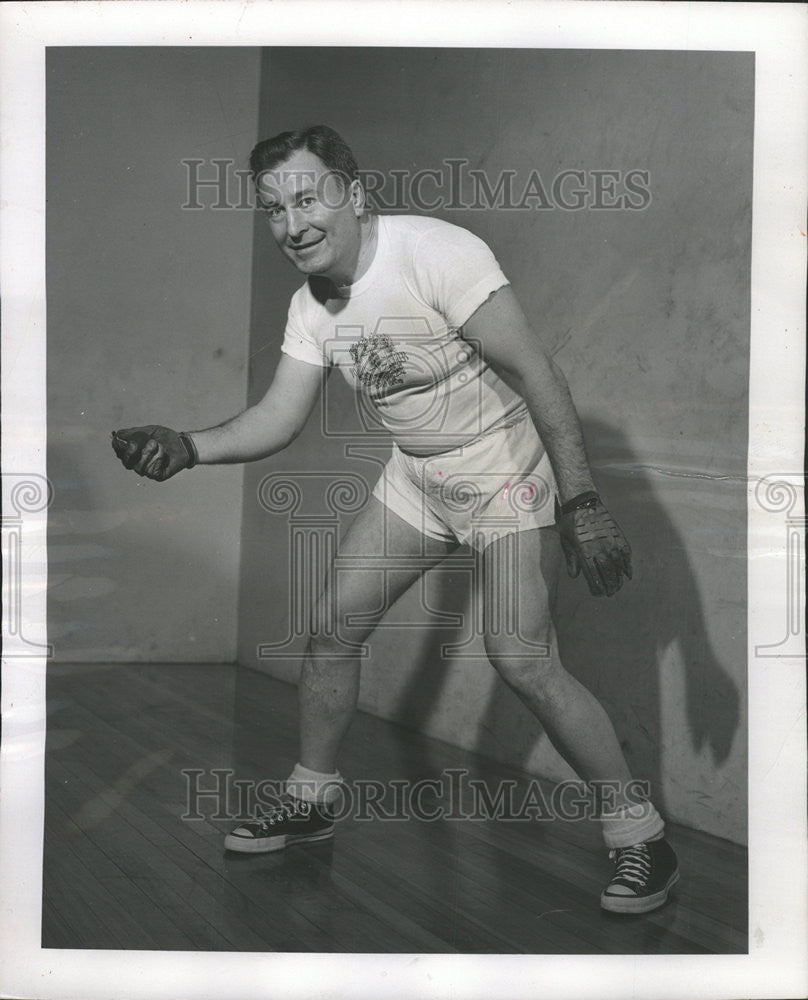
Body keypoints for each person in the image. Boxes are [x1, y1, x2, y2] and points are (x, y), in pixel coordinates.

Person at [111, 125, 679, 914]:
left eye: (307, 198)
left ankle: (639, 834)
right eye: (273, 209)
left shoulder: (436, 254)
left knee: (521, 661)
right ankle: (312, 801)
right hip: (418, 476)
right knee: (333, 625)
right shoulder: (310, 306)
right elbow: (279, 417)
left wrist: (580, 500)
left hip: (507, 470)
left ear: (354, 193)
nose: (292, 223)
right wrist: (187, 445)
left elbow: (537, 372)